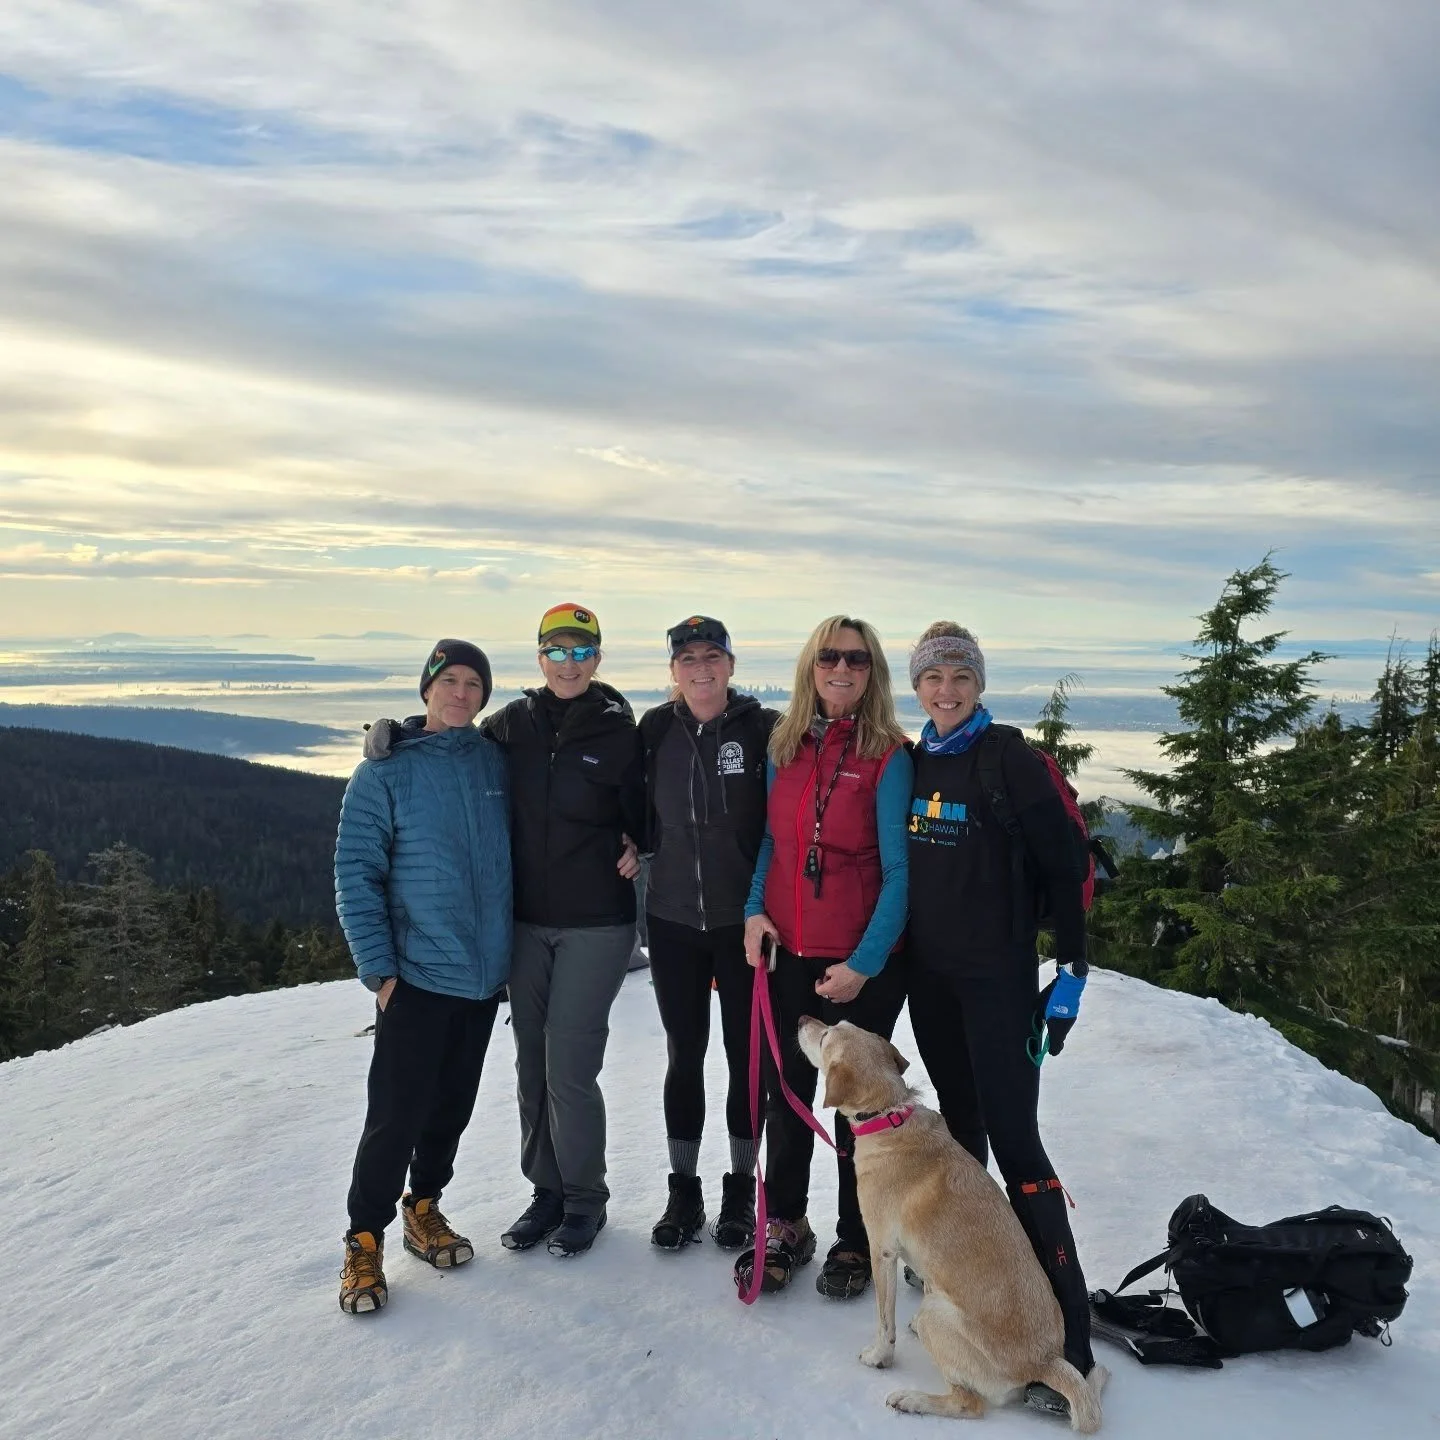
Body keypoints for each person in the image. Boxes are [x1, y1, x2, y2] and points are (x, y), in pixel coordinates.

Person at [363, 604, 643, 1259]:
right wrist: (394, 734)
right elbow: (447, 739)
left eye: (581, 651)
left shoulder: (621, 733)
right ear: (540, 657)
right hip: (523, 925)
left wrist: (640, 845)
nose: (569, 663)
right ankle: (546, 1190)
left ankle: (585, 1197)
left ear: (597, 659)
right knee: (530, 1065)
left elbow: (652, 813)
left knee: (568, 1067)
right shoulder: (510, 726)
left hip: (595, 923)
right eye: (557, 651)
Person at [902, 621, 1097, 1416]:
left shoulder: (1009, 758)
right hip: (931, 982)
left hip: (999, 982)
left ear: (978, 685)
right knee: (961, 1134)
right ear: (916, 687)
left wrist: (1072, 974)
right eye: (932, 678)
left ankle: (1073, 1338)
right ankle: (986, 1292)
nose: (946, 691)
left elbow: (1068, 865)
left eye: (960, 678)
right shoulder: (914, 762)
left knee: (1017, 1145)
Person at [737, 615, 913, 1300]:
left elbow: (899, 873)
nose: (842, 669)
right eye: (830, 657)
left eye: (857, 660)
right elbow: (771, 844)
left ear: (873, 674)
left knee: (857, 1105)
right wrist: (755, 910)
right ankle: (785, 1223)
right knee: (787, 1097)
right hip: (788, 953)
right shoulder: (784, 746)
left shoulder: (889, 756)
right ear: (811, 666)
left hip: (862, 962)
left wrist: (864, 964)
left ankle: (857, 1235)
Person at [334, 639, 512, 1315]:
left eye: (473, 683)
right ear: (427, 689)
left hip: (482, 978)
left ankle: (424, 1207)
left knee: (451, 1107)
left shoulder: (494, 761)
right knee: (395, 1116)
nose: (461, 693)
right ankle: (363, 1240)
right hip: (416, 977)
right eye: (449, 680)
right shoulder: (383, 773)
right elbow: (356, 875)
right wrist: (380, 972)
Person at [638, 616, 779, 1252]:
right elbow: (624, 802)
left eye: (711, 656)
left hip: (743, 922)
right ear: (673, 670)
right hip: (671, 920)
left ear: (730, 664)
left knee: (747, 1058)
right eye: (688, 658)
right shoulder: (653, 730)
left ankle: (741, 1187)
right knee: (684, 1052)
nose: (701, 668)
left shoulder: (762, 729)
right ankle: (684, 1187)